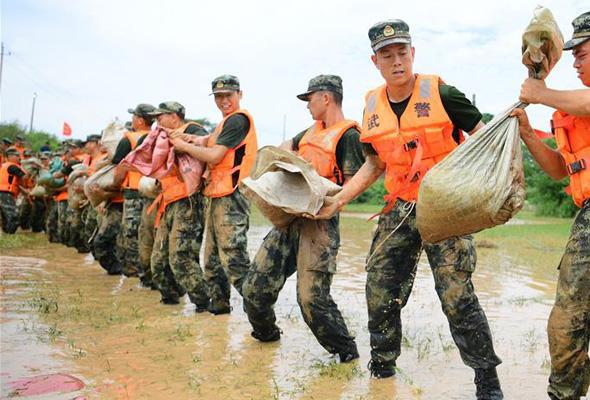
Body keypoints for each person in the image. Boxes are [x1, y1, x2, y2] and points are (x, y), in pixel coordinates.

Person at [314, 20, 503, 399]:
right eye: (387, 55)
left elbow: (487, 140)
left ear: (413, 53)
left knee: (456, 294)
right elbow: (373, 164)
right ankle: (382, 368)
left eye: (402, 52)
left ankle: (486, 380)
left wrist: (483, 194)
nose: (396, 60)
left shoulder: (444, 93)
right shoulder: (370, 106)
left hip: (444, 207)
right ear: (375, 61)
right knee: (380, 285)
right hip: (399, 207)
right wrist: (339, 199)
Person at [242, 75, 363, 362]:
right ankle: (267, 337)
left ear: (326, 98)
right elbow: (288, 144)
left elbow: (351, 185)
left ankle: (346, 353)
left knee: (312, 300)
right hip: (289, 220)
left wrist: (327, 202)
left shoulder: (349, 136)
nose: (307, 105)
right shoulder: (310, 132)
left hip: (320, 225)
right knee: (254, 289)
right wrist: (287, 155)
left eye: (309, 99)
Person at [512, 11, 590, 400]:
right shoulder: (569, 113)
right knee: (567, 321)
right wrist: (528, 134)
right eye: (571, 54)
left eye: (583, 54)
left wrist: (540, 94)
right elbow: (560, 170)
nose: (575, 62)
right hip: (586, 216)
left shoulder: (578, 102)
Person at [170, 75, 257, 315]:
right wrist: (192, 138)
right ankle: (219, 310)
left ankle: (261, 312)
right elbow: (209, 141)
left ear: (240, 94)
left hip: (233, 195)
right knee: (213, 261)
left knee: (234, 259)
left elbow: (214, 156)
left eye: (228, 95)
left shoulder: (238, 120)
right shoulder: (225, 124)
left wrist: (185, 147)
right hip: (218, 195)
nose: (224, 100)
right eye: (219, 96)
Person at [147, 101, 211, 311]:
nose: (156, 121)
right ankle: (171, 300)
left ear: (174, 117)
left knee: (181, 257)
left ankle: (204, 301)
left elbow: (207, 149)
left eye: (160, 117)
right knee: (158, 259)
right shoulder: (163, 138)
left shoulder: (192, 130)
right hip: (169, 203)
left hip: (189, 204)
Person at [111, 104, 156, 277]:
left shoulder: (128, 139)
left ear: (140, 120)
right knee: (148, 234)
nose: (132, 120)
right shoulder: (157, 137)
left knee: (131, 233)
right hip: (154, 192)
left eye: (134, 117)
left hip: (134, 191)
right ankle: (149, 270)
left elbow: (120, 168)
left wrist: (114, 186)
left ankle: (136, 272)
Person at [0, 148, 29, 233]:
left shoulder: (4, 166)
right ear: (10, 156)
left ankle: (6, 233)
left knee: (5, 215)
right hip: (6, 193)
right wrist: (32, 170)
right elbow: (24, 177)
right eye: (16, 156)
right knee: (13, 216)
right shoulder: (12, 166)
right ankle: (10, 234)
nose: (18, 158)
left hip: (2, 192)